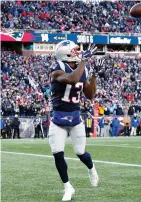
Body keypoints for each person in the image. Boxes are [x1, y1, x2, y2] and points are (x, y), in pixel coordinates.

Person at [49, 40, 104, 201]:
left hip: (75, 118)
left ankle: (92, 169)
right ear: (66, 54)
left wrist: (94, 75)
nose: (78, 54)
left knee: (80, 153)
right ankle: (68, 187)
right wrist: (85, 61)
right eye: (74, 51)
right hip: (58, 119)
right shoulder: (56, 70)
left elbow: (90, 95)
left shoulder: (82, 69)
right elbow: (72, 79)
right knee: (57, 153)